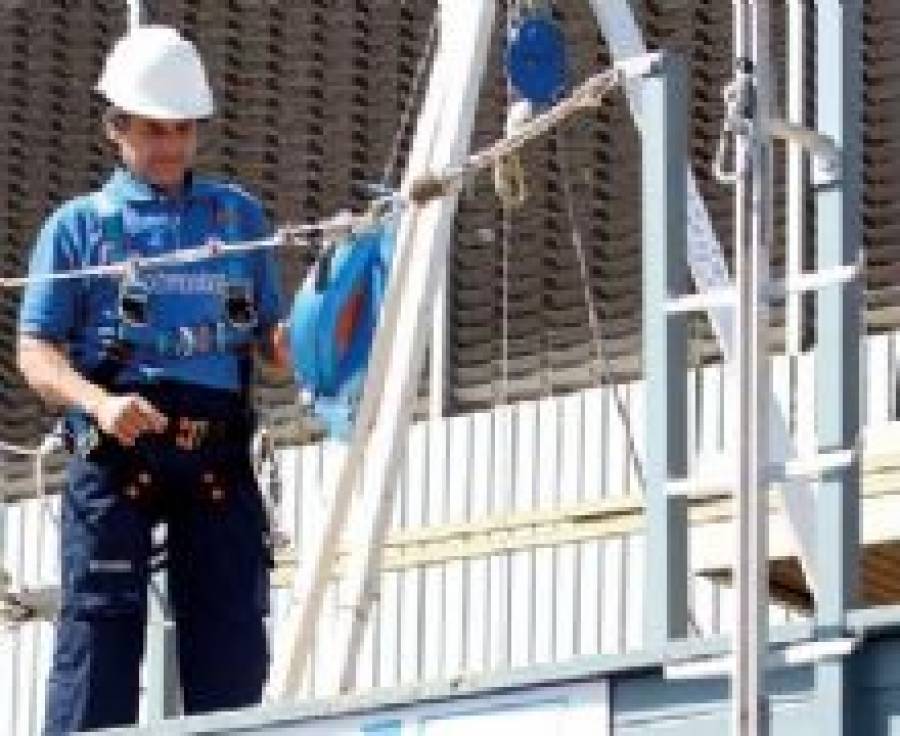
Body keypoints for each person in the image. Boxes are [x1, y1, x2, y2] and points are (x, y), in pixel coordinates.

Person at [16, 25, 291, 734]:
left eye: (181, 130)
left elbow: (274, 345)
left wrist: (334, 320)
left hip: (217, 462)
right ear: (116, 128)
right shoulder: (78, 228)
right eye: (151, 130)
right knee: (97, 654)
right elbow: (35, 353)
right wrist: (100, 405)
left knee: (232, 657)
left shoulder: (238, 219)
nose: (168, 146)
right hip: (117, 460)